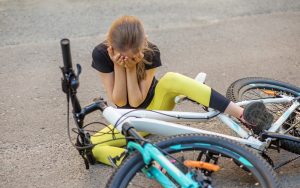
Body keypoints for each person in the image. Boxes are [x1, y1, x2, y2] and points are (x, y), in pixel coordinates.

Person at [90, 15, 273, 166]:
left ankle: (245, 115)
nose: (128, 59)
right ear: (112, 48)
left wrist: (131, 67)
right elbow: (121, 103)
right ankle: (161, 166)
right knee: (91, 146)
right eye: (123, 57)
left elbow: (138, 102)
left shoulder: (150, 51)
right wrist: (120, 66)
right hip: (127, 117)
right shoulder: (101, 54)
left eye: (133, 56)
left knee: (171, 79)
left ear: (143, 43)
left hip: (155, 109)